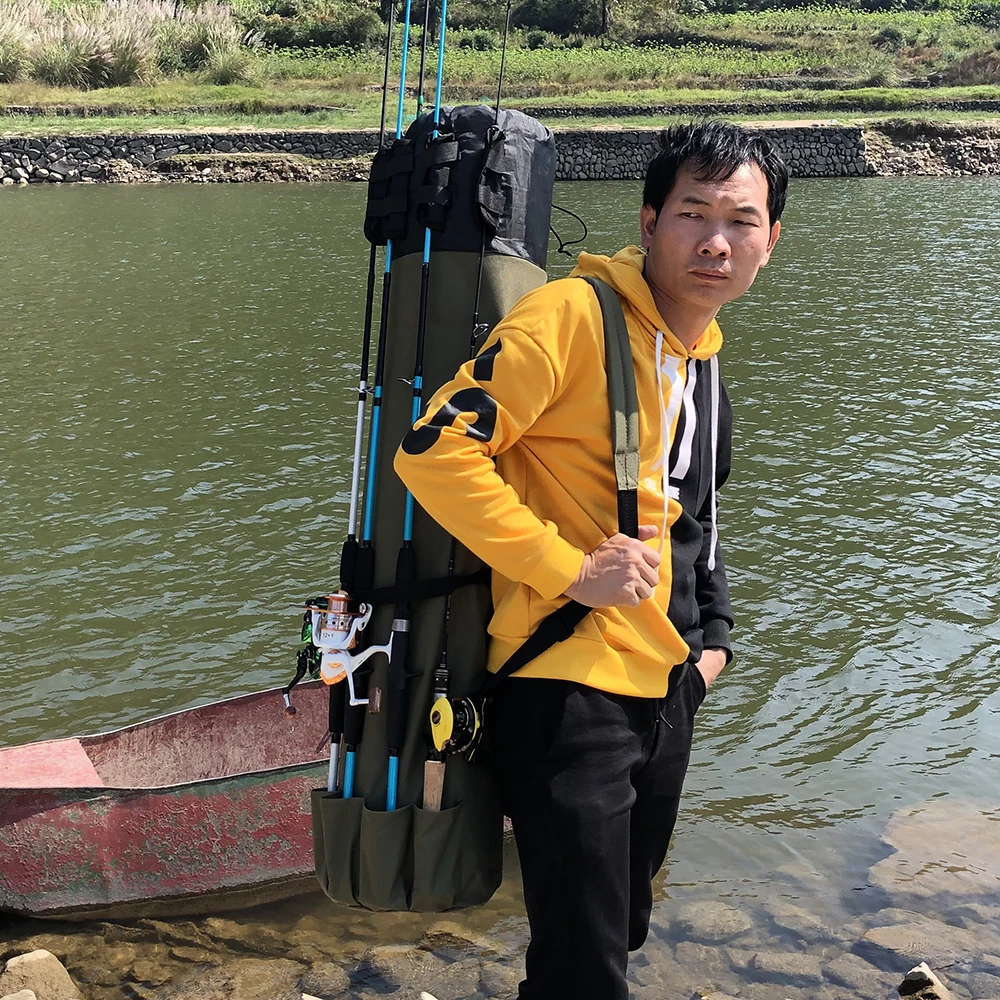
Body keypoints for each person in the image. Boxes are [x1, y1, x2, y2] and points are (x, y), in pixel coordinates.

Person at [395, 120, 787, 1000]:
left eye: (741, 221)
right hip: (565, 687)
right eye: (693, 213)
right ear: (649, 223)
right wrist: (569, 570)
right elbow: (432, 452)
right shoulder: (570, 317)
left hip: (668, 685)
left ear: (771, 241)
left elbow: (695, 517)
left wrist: (714, 645)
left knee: (620, 928)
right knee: (584, 964)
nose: (716, 242)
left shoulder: (702, 359)